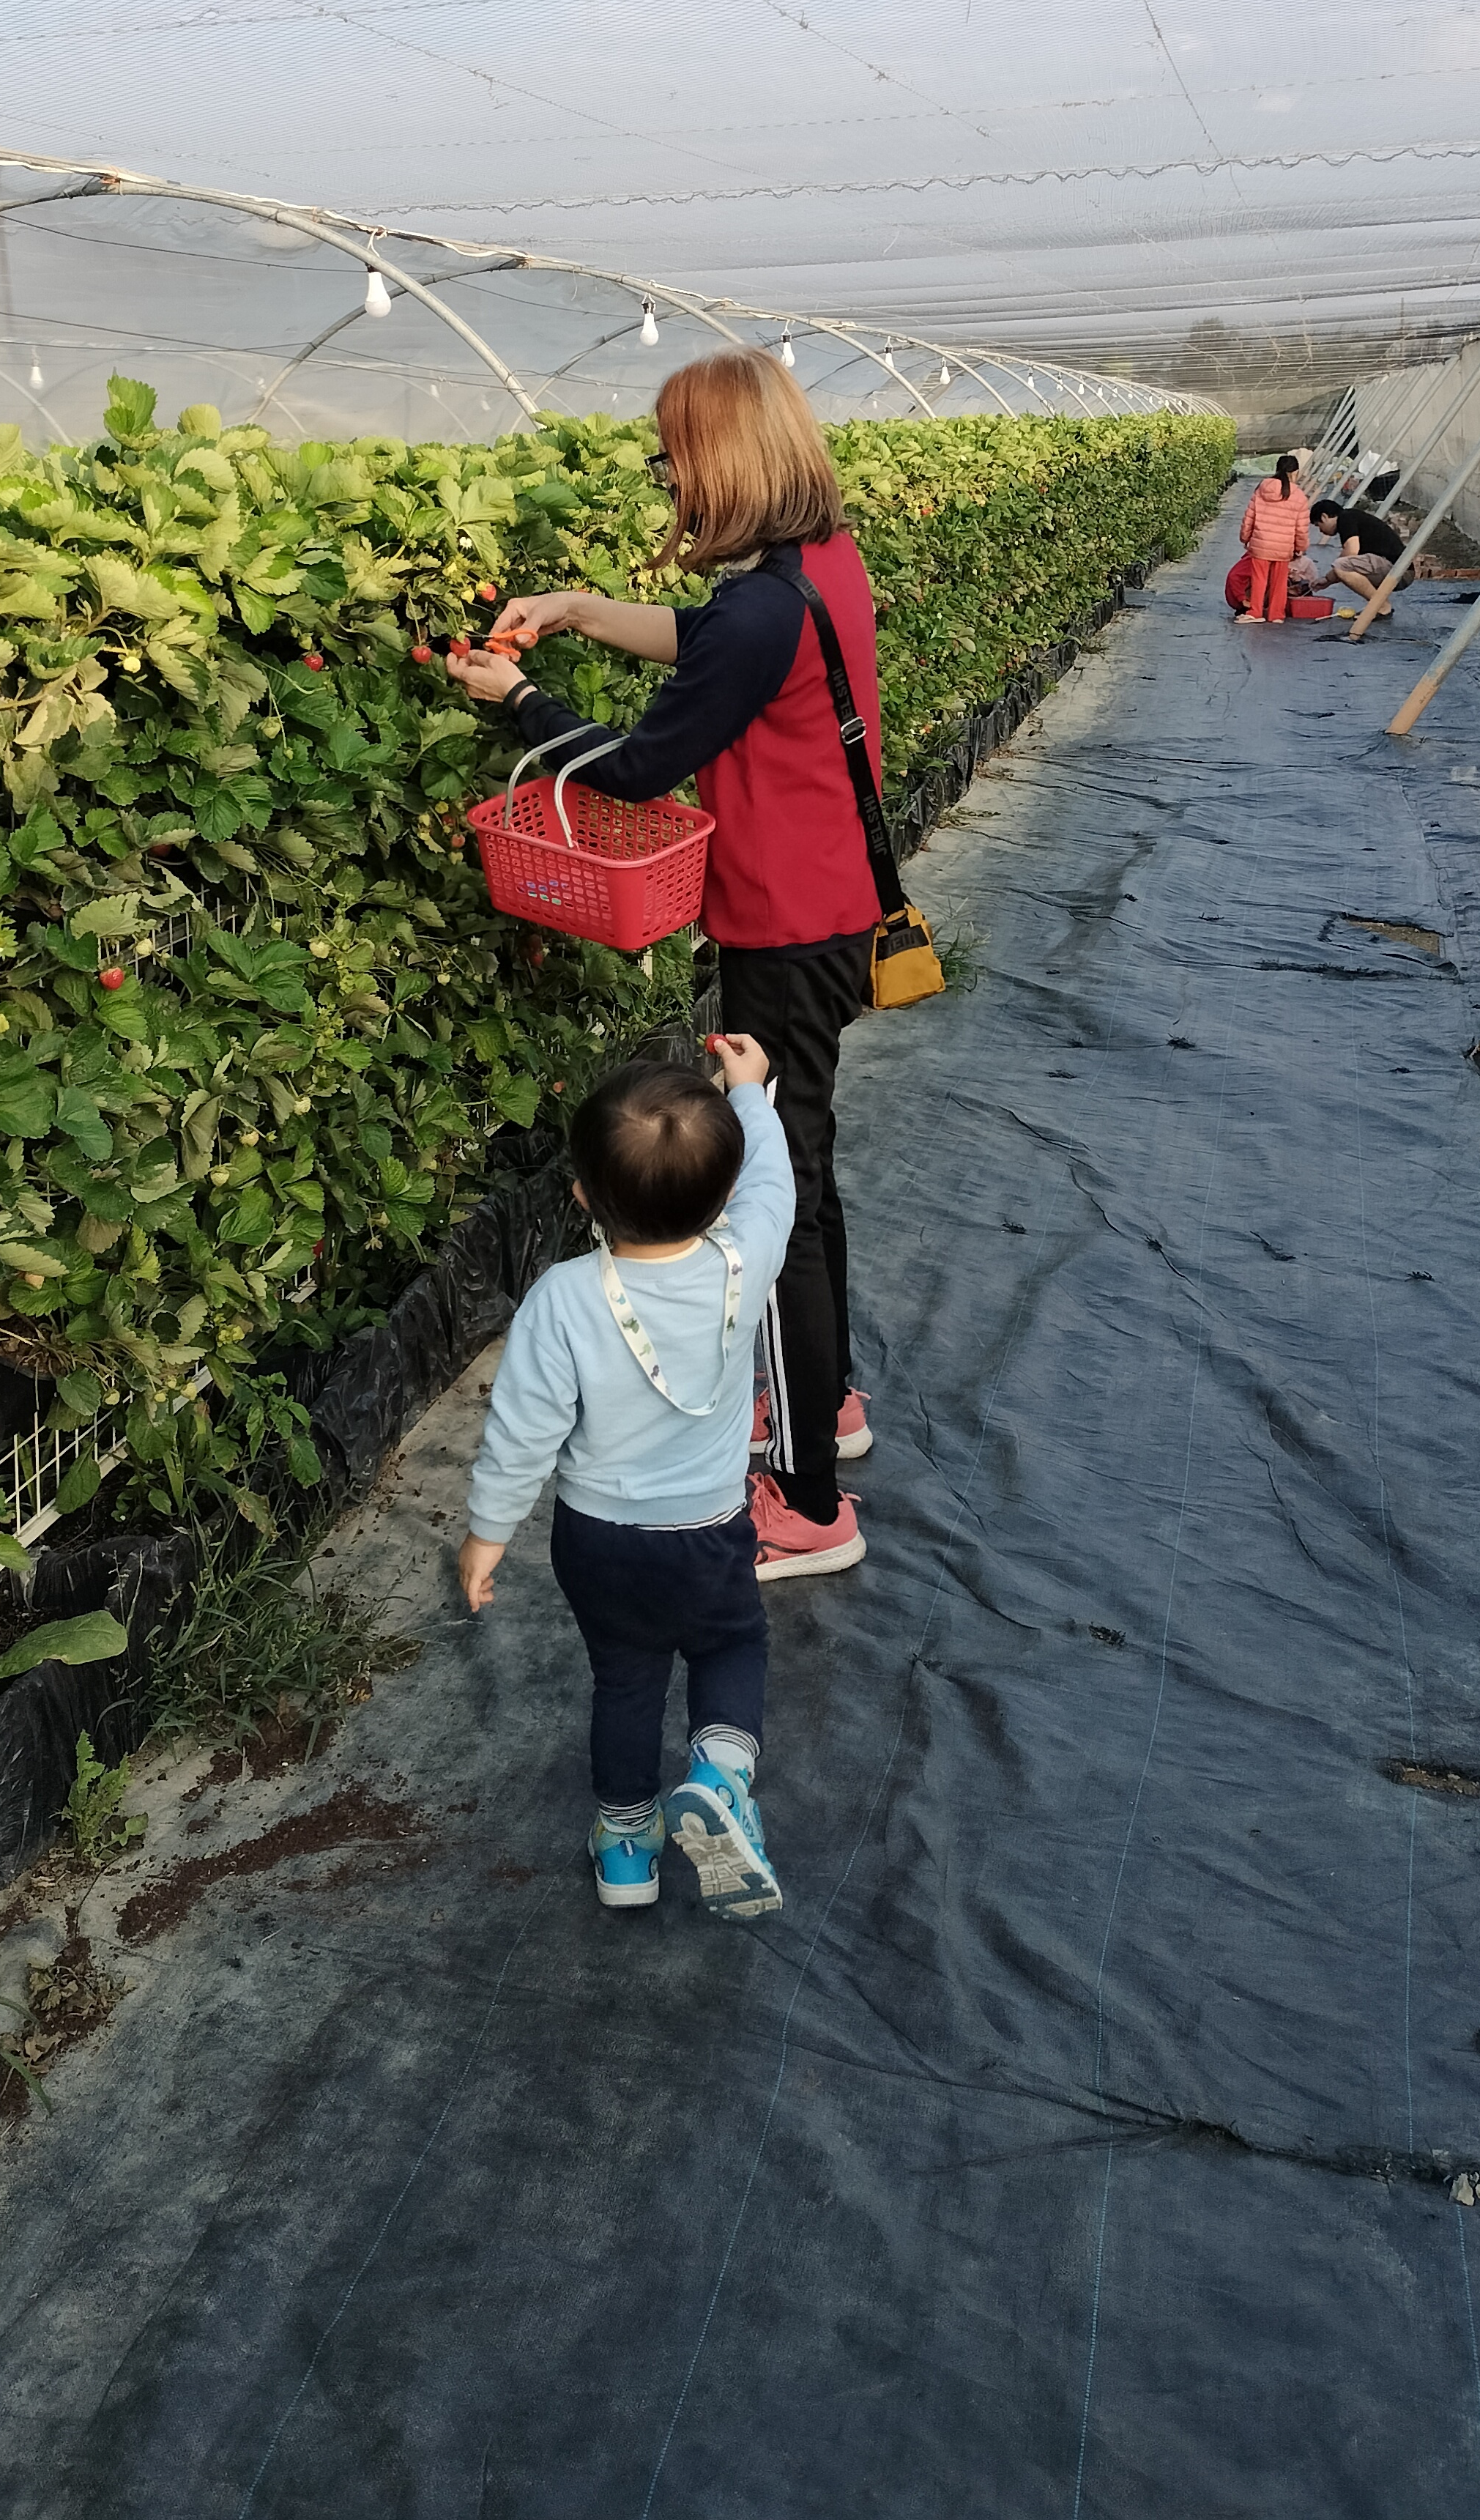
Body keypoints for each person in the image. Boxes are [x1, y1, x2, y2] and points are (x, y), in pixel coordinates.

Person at [448, 347, 882, 1584]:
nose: (665, 478)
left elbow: (637, 765)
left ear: (717, 460)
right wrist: (583, 610)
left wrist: (523, 695)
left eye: (669, 454)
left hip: (782, 926)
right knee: (804, 1164)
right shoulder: (813, 566)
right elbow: (705, 642)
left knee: (777, 1205)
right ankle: (829, 1404)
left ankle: (806, 1504)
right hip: (826, 900)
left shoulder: (756, 609)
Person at [457, 1035, 791, 1919]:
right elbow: (772, 1186)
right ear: (722, 1195)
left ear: (580, 1197)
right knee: (730, 1645)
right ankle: (720, 1773)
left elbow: (521, 1432)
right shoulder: (744, 1257)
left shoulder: (564, 1297)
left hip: (597, 1541)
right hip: (709, 1531)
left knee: (626, 1678)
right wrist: (750, 1095)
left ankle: (627, 1849)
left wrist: (486, 1536)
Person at [1238, 453, 1310, 626]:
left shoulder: (1262, 488)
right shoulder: (1299, 496)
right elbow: (1302, 528)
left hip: (1261, 544)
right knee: (1279, 582)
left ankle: (1255, 612)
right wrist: (1300, 547)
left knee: (1259, 579)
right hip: (1284, 548)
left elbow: (1250, 517)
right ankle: (1276, 614)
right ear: (1296, 473)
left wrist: (1245, 537)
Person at [1309, 497, 1403, 618]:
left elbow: (1352, 550)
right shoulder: (1352, 517)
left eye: (1318, 525)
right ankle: (1378, 605)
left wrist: (1328, 578)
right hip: (1395, 569)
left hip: (1395, 570)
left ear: (1324, 517)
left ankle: (1381, 606)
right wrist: (1329, 581)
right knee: (1344, 566)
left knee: (1342, 565)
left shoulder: (1346, 518)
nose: (1320, 531)